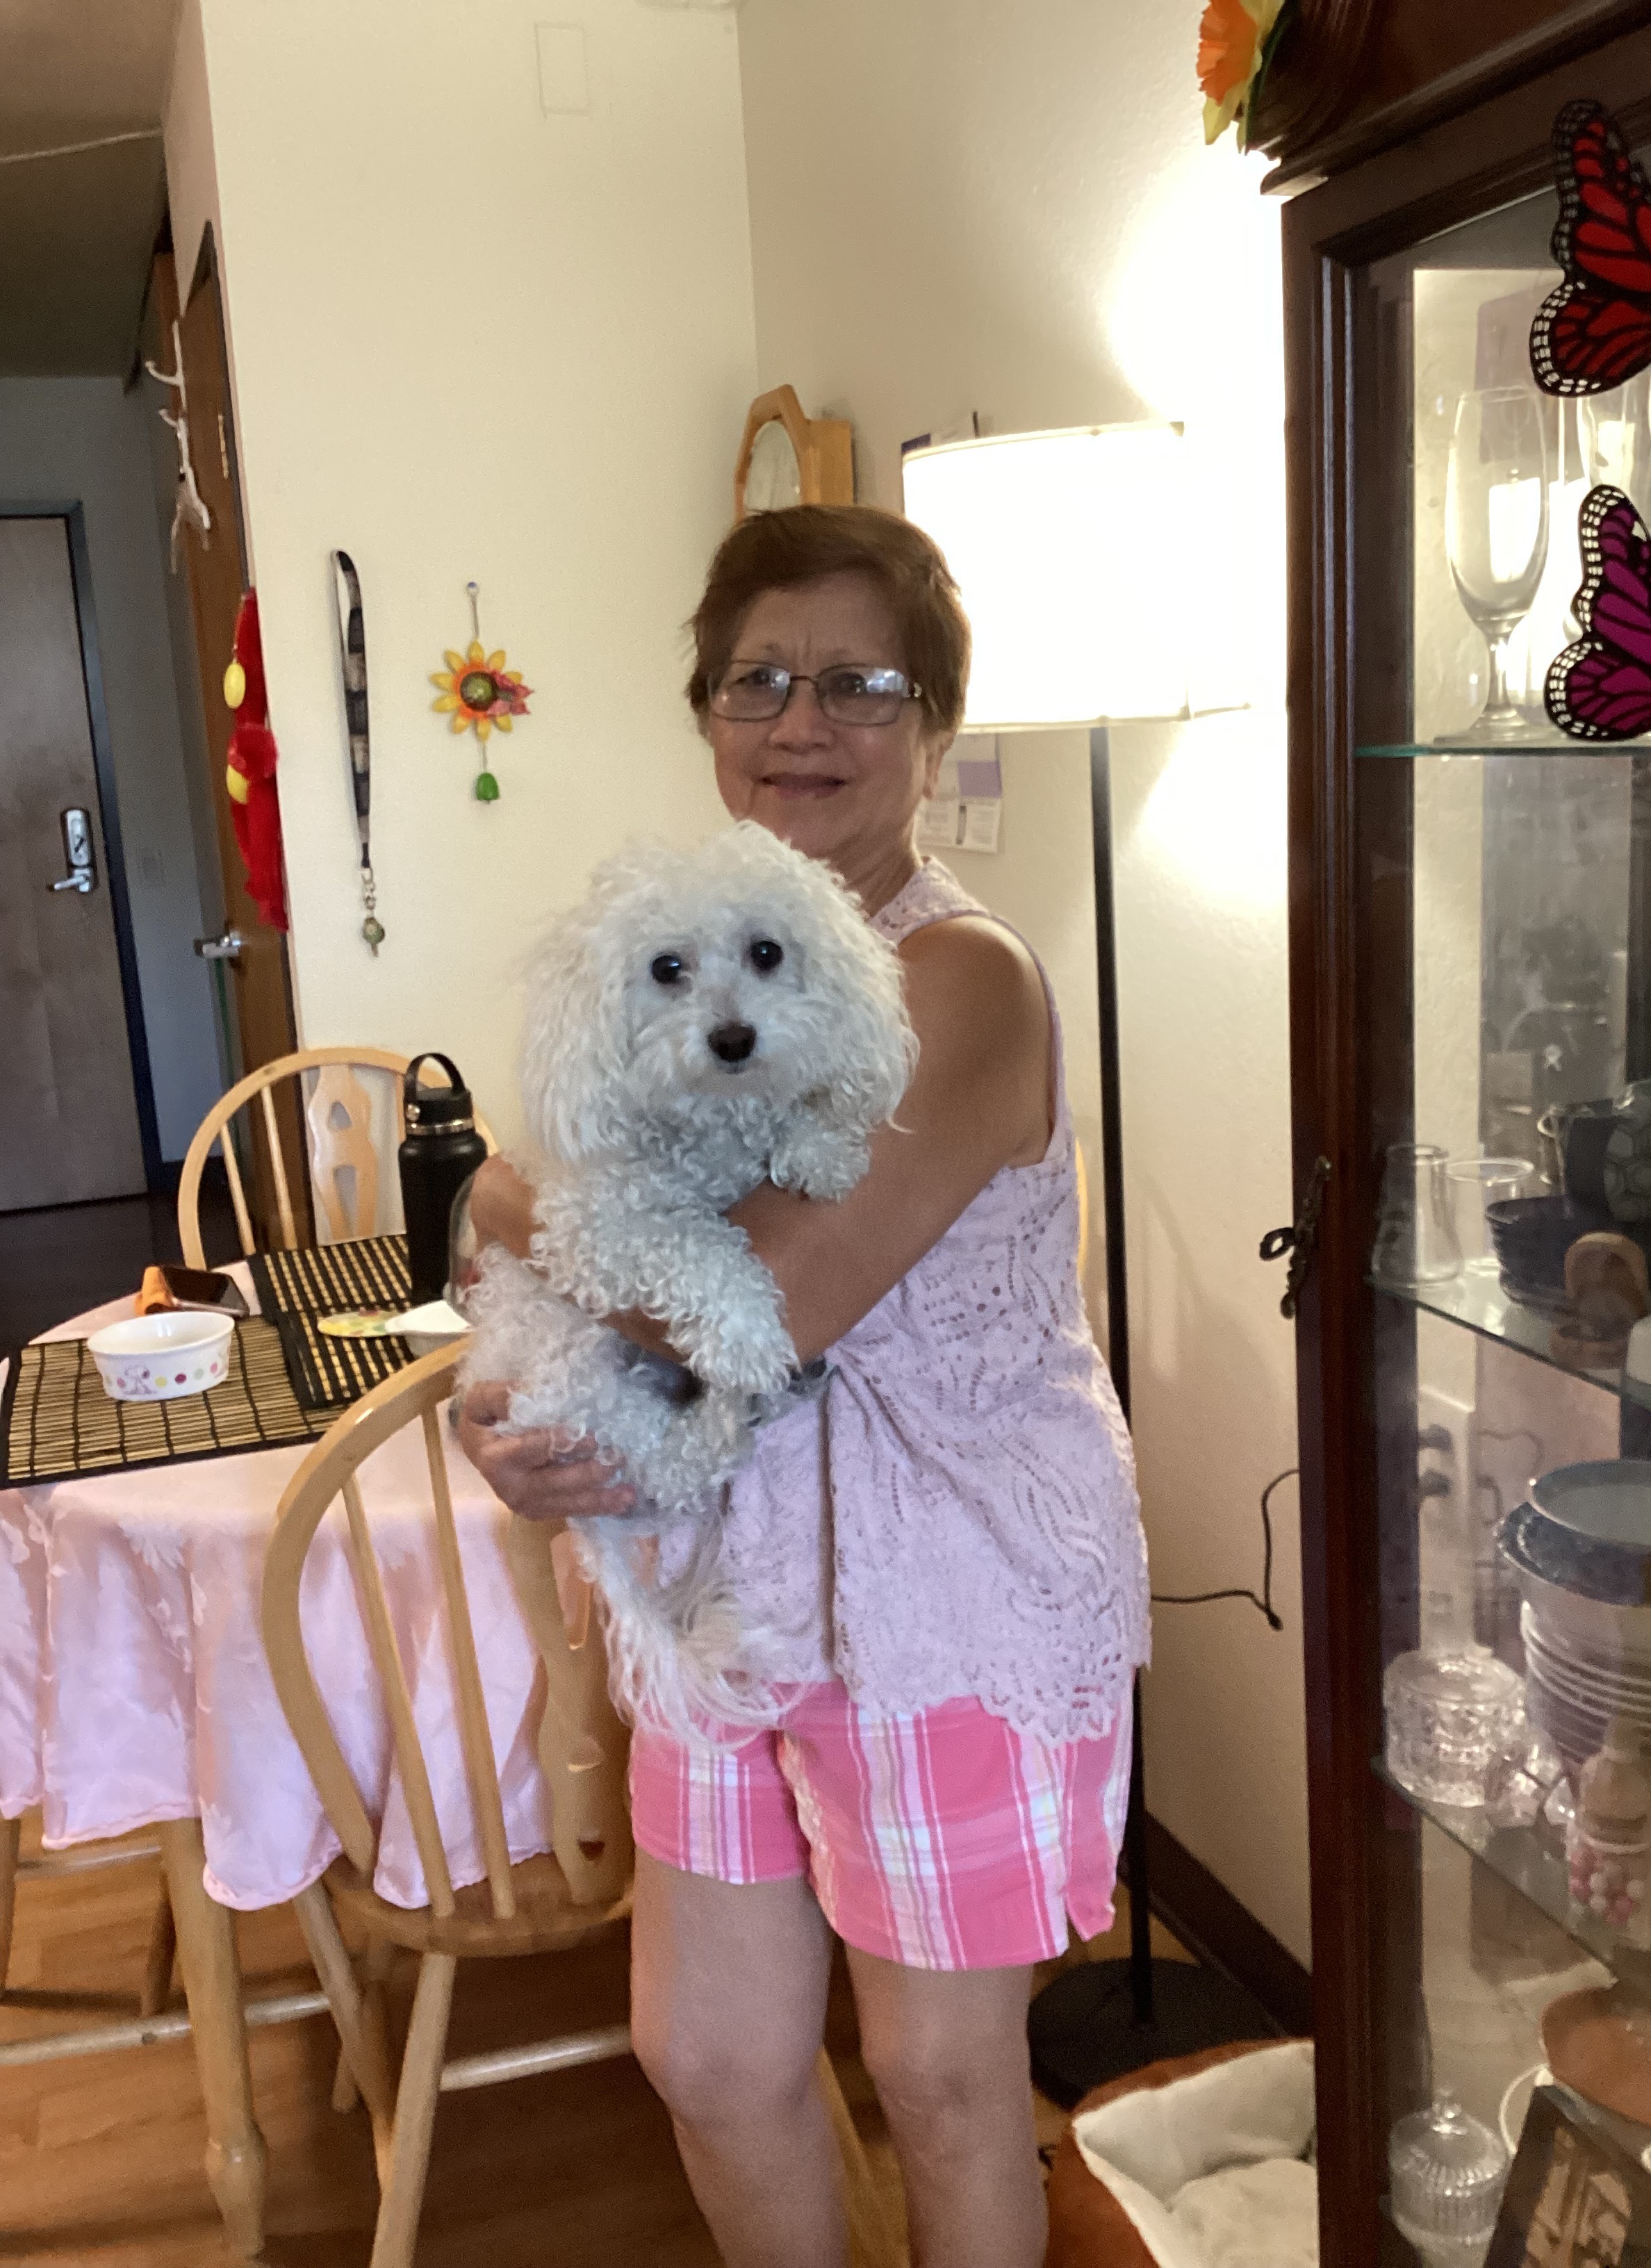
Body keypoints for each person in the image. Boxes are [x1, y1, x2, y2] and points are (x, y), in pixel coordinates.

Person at [458, 503, 1148, 2268]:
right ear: (707, 712)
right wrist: (508, 1406)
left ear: (936, 723)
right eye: (759, 680)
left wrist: (499, 1194)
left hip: (954, 1585)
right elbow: (602, 1270)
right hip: (730, 1575)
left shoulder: (961, 978)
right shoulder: (681, 965)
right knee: (707, 2055)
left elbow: (757, 1304)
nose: (802, 723)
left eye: (860, 683)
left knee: (940, 2079)